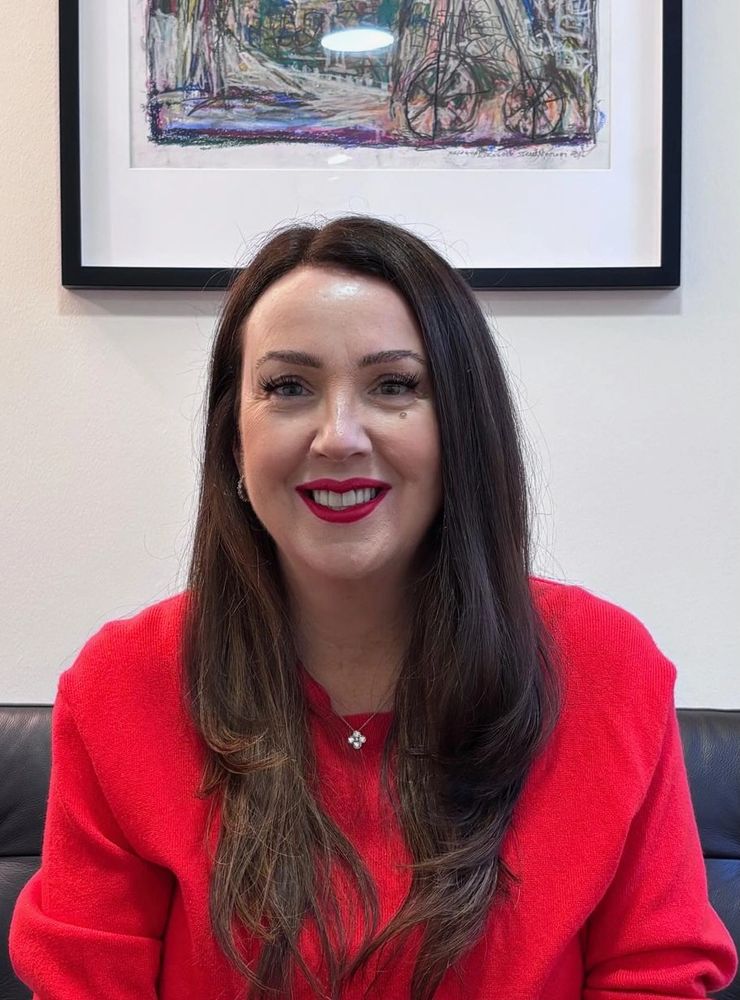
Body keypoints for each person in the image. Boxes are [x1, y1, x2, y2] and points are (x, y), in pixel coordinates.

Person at [9, 216, 738, 1000]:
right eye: (289, 387)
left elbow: (654, 976)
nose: (338, 436)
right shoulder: (122, 683)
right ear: (232, 440)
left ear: (460, 425)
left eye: (394, 386)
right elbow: (84, 981)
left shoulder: (604, 665)